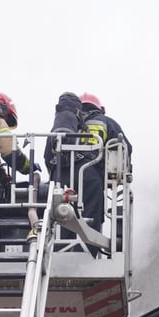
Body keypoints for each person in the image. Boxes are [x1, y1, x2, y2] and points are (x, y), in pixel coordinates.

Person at [45, 92, 132, 254]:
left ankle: (61, 250)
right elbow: (125, 150)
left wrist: (56, 174)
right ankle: (86, 253)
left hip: (61, 176)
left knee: (62, 214)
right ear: (99, 109)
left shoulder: (62, 125)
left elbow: (48, 156)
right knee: (90, 214)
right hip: (90, 175)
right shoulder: (107, 122)